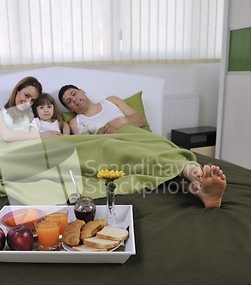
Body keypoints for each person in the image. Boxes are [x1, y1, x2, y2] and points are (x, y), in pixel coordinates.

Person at [58, 84, 227, 208]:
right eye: (69, 101)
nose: (75, 100)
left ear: (82, 91)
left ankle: (197, 184)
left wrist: (121, 121)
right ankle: (192, 173)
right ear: (69, 108)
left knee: (158, 147)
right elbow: (85, 146)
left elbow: (140, 120)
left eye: (74, 94)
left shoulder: (111, 101)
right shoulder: (75, 122)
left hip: (134, 135)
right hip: (110, 147)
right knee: (134, 154)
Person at [0, 76, 60, 142]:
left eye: (33, 100)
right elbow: (6, 136)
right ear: (17, 90)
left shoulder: (30, 114)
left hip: (29, 150)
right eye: (26, 95)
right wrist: (42, 135)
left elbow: (51, 120)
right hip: (5, 152)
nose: (28, 103)